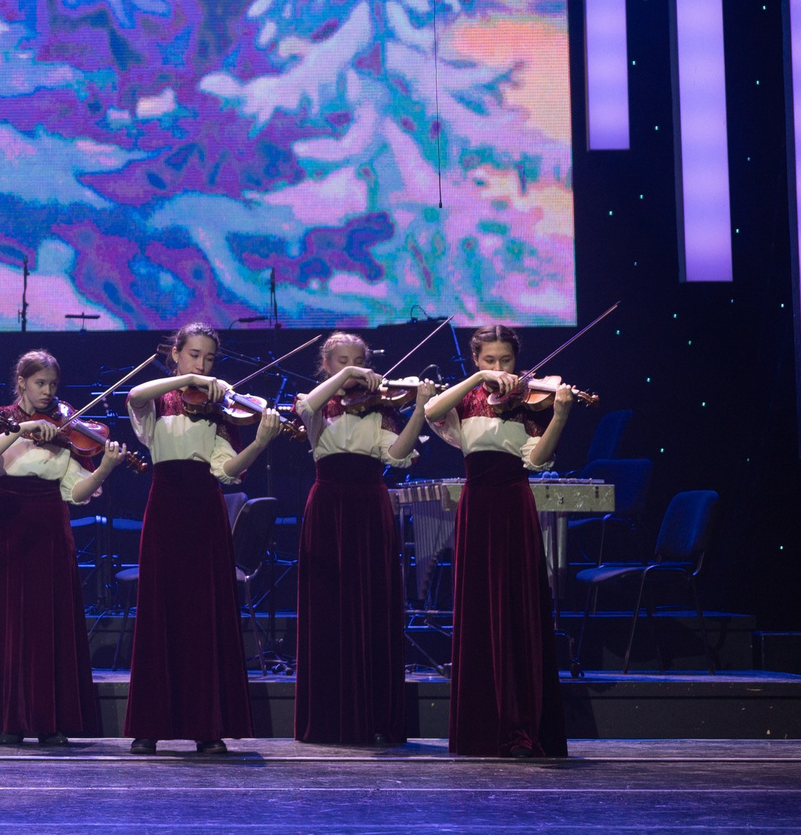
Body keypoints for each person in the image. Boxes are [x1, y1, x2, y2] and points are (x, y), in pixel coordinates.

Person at [123, 322, 284, 754]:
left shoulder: (219, 412)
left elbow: (227, 472)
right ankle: (150, 725)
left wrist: (260, 442)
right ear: (176, 354)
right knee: (161, 613)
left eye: (210, 360)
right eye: (194, 355)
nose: (203, 366)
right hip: (165, 507)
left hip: (204, 511)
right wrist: (190, 379)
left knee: (203, 616)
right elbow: (134, 396)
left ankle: (207, 727)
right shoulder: (160, 400)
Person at [425, 323, 576, 758]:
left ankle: (523, 724)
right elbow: (432, 410)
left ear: (517, 360)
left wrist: (561, 415)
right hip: (477, 507)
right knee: (478, 612)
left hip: (513, 505)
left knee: (518, 610)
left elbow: (537, 458)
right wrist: (477, 379)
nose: (499, 368)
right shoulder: (469, 397)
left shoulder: (531, 401)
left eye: (505, 361)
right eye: (488, 360)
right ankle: (481, 728)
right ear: (476, 360)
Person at [0, 349, 126, 745]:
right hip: (9, 523)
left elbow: (78, 492)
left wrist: (104, 466)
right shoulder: (2, 418)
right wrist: (19, 431)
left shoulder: (65, 427)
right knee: (11, 620)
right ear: (21, 382)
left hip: (52, 524)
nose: (48, 392)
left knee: (50, 620)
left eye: (53, 385)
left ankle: (51, 719)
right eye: (40, 383)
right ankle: (11, 719)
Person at [293, 332, 420, 747]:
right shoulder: (317, 408)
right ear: (326, 367)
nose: (351, 369)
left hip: (369, 506)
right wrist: (348, 372)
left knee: (373, 605)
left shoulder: (381, 410)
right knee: (328, 607)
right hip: (328, 507)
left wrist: (418, 410)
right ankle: (329, 719)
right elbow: (307, 406)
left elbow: (398, 457)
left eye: (357, 361)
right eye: (340, 361)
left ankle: (375, 716)